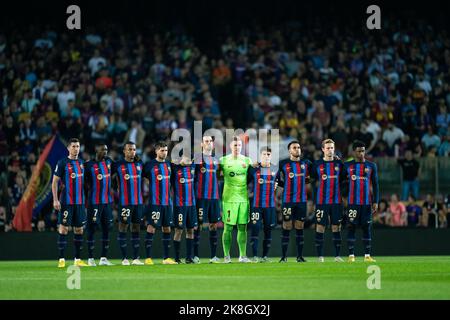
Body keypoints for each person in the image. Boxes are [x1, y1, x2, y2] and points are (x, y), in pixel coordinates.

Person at [52, 138, 88, 268]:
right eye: (73, 146)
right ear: (68, 148)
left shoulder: (82, 163)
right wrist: (55, 199)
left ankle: (77, 259)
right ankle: (61, 259)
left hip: (80, 203)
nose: (76, 149)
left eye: (78, 146)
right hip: (66, 202)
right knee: (64, 228)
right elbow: (55, 181)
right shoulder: (62, 163)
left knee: (79, 230)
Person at [310, 139, 347, 262]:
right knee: (320, 227)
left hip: (336, 202)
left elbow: (344, 180)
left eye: (332, 148)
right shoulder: (317, 164)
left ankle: (337, 256)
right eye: (328, 148)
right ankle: (320, 256)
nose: (330, 150)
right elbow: (312, 181)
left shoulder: (339, 165)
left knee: (336, 227)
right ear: (322, 149)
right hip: (322, 201)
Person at [275, 141, 312, 263]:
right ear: (289, 150)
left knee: (300, 227)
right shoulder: (283, 164)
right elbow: (277, 179)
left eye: (299, 147)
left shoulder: (306, 163)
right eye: (294, 148)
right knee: (286, 226)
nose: (297, 149)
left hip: (301, 201)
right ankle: (283, 257)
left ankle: (299, 256)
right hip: (288, 201)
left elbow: (316, 173)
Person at [219, 136, 253, 263]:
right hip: (229, 198)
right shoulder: (223, 161)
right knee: (227, 228)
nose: (237, 147)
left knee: (242, 227)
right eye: (235, 145)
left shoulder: (247, 160)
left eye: (239, 145)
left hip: (243, 199)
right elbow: (215, 176)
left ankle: (242, 256)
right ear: (230, 146)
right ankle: (226, 256)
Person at [142, 142, 177, 265]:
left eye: (166, 150)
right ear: (156, 151)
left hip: (168, 203)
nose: (164, 153)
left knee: (167, 228)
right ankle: (148, 258)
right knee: (151, 227)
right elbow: (142, 177)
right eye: (162, 150)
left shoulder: (169, 165)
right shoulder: (149, 165)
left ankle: (166, 258)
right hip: (155, 203)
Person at [344, 140, 379, 263]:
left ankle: (367, 255)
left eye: (363, 151)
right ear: (354, 152)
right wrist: (344, 198)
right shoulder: (347, 166)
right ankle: (351, 256)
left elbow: (375, 185)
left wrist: (376, 201)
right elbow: (341, 183)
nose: (361, 153)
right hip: (353, 203)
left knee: (366, 228)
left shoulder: (371, 166)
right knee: (351, 228)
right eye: (359, 151)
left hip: (366, 203)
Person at [112, 141, 145, 265]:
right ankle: (124, 258)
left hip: (138, 202)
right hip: (125, 202)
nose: (132, 151)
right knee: (123, 227)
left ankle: (136, 258)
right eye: (130, 149)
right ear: (124, 151)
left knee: (136, 227)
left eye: (134, 149)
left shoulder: (140, 164)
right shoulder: (118, 165)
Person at [84, 143, 114, 266]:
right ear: (96, 149)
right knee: (92, 229)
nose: (105, 152)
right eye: (103, 149)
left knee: (107, 229)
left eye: (106, 149)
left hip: (107, 202)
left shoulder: (109, 162)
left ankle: (103, 258)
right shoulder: (88, 165)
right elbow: (83, 183)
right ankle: (90, 258)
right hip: (94, 202)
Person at [193, 135, 221, 264]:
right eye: (206, 141)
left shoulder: (217, 160)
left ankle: (213, 256)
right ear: (202, 144)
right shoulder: (197, 159)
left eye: (210, 141)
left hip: (214, 198)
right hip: (201, 198)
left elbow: (220, 177)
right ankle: (195, 256)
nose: (209, 143)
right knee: (198, 225)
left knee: (213, 225)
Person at [247, 147, 278, 263]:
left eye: (268, 154)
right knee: (255, 229)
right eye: (264, 154)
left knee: (268, 230)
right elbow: (245, 181)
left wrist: (276, 185)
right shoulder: (253, 169)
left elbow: (279, 181)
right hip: (256, 205)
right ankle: (255, 256)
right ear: (260, 156)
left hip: (270, 206)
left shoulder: (275, 168)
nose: (266, 156)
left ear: (271, 155)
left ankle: (265, 256)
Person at [171, 155, 198, 263]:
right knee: (178, 230)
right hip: (179, 205)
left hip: (192, 205)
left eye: (189, 159)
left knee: (191, 230)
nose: (188, 161)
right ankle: (177, 258)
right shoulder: (174, 169)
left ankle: (189, 257)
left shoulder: (193, 168)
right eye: (185, 158)